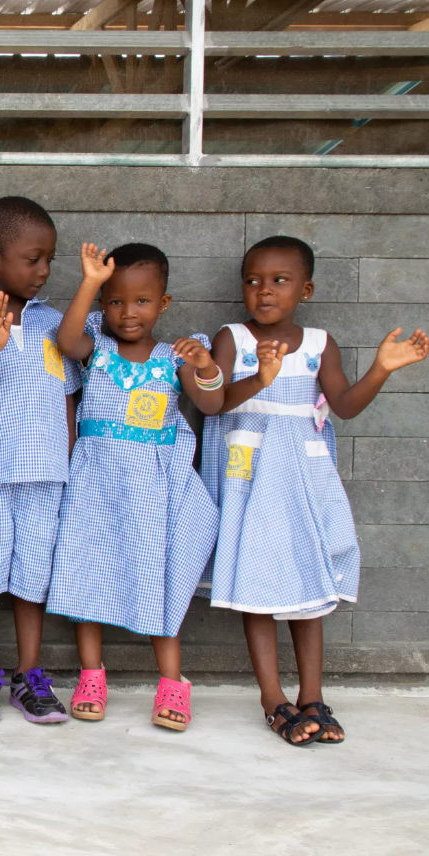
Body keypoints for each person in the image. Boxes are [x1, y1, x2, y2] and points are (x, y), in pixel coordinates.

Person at [201, 235, 428, 745]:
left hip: (302, 480)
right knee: (256, 589)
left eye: (279, 280)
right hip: (250, 480)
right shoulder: (232, 338)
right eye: (253, 280)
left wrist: (381, 369)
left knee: (310, 590)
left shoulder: (320, 343)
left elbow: (343, 406)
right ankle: (271, 698)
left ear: (306, 289)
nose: (264, 291)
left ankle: (312, 696)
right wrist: (260, 376)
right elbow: (215, 404)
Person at [49, 242, 224, 732]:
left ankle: (171, 682)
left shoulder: (177, 355)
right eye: (116, 301)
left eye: (142, 301)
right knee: (87, 570)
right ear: (104, 304)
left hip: (150, 491)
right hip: (95, 483)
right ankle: (90, 676)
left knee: (157, 576)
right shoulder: (98, 351)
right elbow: (67, 340)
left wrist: (207, 368)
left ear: (163, 304)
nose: (129, 312)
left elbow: (211, 406)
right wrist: (88, 282)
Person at [0, 197, 80, 724]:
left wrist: (70, 465)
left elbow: (69, 397)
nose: (44, 270)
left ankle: (30, 674)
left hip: (46, 474)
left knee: (33, 577)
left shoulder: (57, 322)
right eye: (32, 259)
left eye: (49, 259)